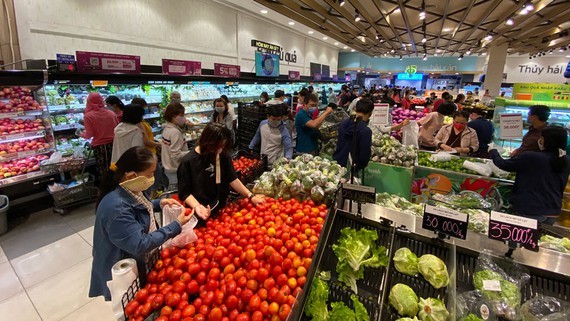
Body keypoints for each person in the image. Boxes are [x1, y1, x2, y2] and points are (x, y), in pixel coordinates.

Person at [89, 147, 194, 300]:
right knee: (132, 304)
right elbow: (139, 244)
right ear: (131, 175)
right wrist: (176, 225)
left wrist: (159, 203)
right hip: (127, 267)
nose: (153, 178)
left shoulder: (130, 188)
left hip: (142, 259)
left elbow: (139, 205)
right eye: (150, 174)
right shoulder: (116, 209)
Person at [177, 123, 265, 220]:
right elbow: (184, 193)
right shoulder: (188, 162)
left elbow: (232, 178)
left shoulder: (222, 155)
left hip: (222, 208)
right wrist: (197, 206)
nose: (220, 149)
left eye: (223, 146)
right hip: (199, 210)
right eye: (218, 146)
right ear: (207, 142)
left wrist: (251, 196)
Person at [490, 126, 570, 224]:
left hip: (531, 208)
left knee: (521, 238)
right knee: (540, 238)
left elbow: (504, 164)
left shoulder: (531, 157)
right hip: (553, 210)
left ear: (545, 140)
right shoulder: (566, 160)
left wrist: (493, 152)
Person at [81, 92, 119, 177]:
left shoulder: (88, 116)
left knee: (104, 170)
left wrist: (81, 134)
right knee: (116, 167)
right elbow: (117, 128)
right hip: (114, 144)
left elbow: (89, 135)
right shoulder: (111, 113)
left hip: (100, 147)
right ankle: (119, 186)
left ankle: (106, 188)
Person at [333, 99, 374, 171]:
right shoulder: (365, 131)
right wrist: (361, 166)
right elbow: (365, 155)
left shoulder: (343, 124)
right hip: (352, 167)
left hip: (338, 162)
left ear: (356, 109)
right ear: (370, 113)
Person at [161, 102, 190, 191]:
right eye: (182, 115)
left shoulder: (167, 128)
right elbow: (176, 155)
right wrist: (191, 153)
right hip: (175, 170)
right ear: (174, 116)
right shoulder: (175, 132)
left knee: (170, 191)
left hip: (168, 168)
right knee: (175, 195)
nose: (184, 118)